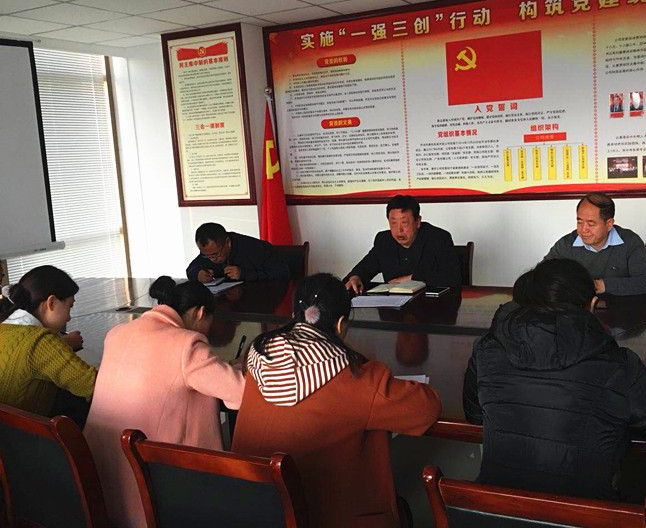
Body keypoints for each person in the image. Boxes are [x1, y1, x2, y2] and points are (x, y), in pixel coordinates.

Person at [463, 259, 646, 500]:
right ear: (592, 304)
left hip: (493, 513)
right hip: (586, 516)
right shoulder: (617, 366)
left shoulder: (487, 350)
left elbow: (475, 416)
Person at [233, 273, 441, 528]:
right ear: (341, 324)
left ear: (295, 316)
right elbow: (427, 408)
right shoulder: (356, 378)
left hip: (255, 514)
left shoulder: (259, 362)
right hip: (333, 517)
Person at [84, 277, 245, 528]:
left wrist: (222, 368)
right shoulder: (187, 344)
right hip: (151, 486)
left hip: (98, 479)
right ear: (200, 312)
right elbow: (239, 393)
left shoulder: (117, 333)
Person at [0, 265, 96, 425]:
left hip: (8, 434)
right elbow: (93, 385)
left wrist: (62, 343)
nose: (69, 318)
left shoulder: (4, 329)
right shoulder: (41, 342)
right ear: (51, 302)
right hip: (28, 437)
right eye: (69, 306)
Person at [543, 192, 646, 295]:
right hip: (579, 308)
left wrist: (601, 285)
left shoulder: (630, 242)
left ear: (609, 224)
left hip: (622, 308)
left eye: (591, 224)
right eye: (579, 222)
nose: (583, 229)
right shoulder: (566, 244)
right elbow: (541, 276)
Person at [345, 195, 461, 294]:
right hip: (393, 309)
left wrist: (411, 278)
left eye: (404, 223)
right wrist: (356, 277)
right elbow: (364, 268)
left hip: (430, 307)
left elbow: (452, 278)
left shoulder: (438, 238)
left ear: (418, 221)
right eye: (393, 223)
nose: (399, 230)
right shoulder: (384, 241)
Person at [186, 222, 289, 283]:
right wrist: (197, 274)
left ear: (228, 242)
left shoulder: (255, 248)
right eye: (206, 255)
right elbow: (191, 268)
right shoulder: (209, 252)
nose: (212, 259)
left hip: (259, 300)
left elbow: (282, 272)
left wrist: (244, 274)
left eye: (215, 255)